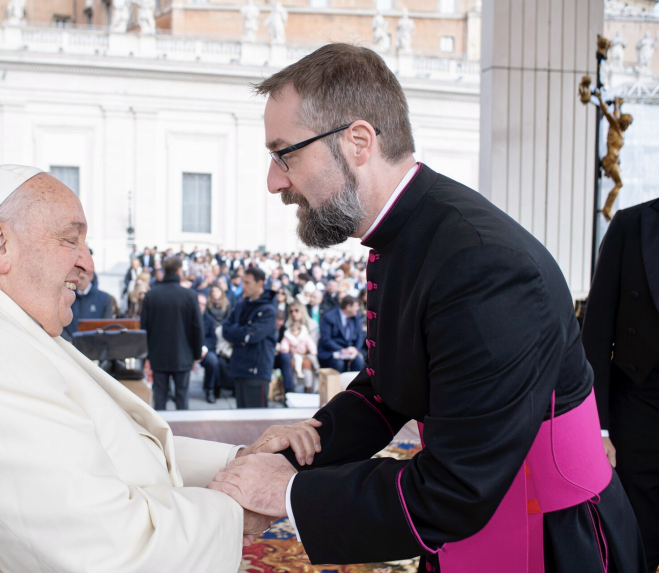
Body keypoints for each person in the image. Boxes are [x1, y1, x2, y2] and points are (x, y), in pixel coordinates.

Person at [208, 43, 645, 572]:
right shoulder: (408, 231)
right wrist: (300, 450)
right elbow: (389, 386)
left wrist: (289, 494)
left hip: (551, 536)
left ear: (358, 141)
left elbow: (456, 488)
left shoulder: (483, 265)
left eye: (286, 153)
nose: (275, 180)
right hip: (472, 514)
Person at [0, 165, 279, 572]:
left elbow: (119, 446)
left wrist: (240, 460)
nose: (87, 264)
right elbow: (105, 553)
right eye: (71, 240)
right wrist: (237, 509)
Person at [582, 197, 659, 572]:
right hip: (636, 409)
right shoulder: (630, 225)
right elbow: (595, 334)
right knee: (636, 540)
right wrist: (599, 428)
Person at [140, 256, 203, 410]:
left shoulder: (151, 295)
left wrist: (147, 355)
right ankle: (184, 431)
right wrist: (196, 354)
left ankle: (160, 433)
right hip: (183, 354)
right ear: (179, 271)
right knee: (182, 398)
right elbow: (197, 327)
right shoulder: (189, 295)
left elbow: (144, 327)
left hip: (158, 354)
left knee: (160, 398)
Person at [222, 266, 277, 408]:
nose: (243, 286)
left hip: (256, 371)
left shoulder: (268, 310)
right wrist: (241, 333)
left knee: (257, 420)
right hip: (239, 367)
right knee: (242, 418)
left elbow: (252, 336)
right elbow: (225, 329)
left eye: (247, 283)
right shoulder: (241, 305)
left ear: (259, 284)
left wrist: (239, 333)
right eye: (242, 282)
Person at [317, 295, 365, 373]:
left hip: (350, 351)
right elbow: (326, 339)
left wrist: (355, 349)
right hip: (332, 351)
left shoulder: (355, 317)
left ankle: (356, 385)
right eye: (356, 306)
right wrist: (342, 350)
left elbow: (360, 336)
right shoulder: (329, 317)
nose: (358, 308)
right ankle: (338, 385)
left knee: (358, 362)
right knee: (339, 364)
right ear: (348, 307)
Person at [61, 270, 114, 340]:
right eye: (77, 278)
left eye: (82, 278)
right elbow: (59, 323)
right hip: (70, 345)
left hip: (95, 347)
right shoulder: (66, 297)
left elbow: (107, 326)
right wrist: (69, 341)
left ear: (91, 277)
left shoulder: (105, 298)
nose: (78, 282)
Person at [279, 322, 319, 392]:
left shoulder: (305, 336)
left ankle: (308, 388)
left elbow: (311, 345)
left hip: (305, 355)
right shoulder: (288, 336)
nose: (293, 332)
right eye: (292, 330)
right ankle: (293, 388)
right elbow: (284, 345)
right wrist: (286, 349)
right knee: (294, 363)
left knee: (310, 361)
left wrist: (310, 351)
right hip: (294, 355)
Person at [198, 292, 221, 404]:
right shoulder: (186, 317)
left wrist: (204, 348)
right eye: (198, 303)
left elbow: (212, 339)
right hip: (188, 351)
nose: (200, 306)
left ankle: (210, 390)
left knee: (213, 361)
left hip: (204, 350)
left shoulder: (209, 319)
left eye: (203, 304)